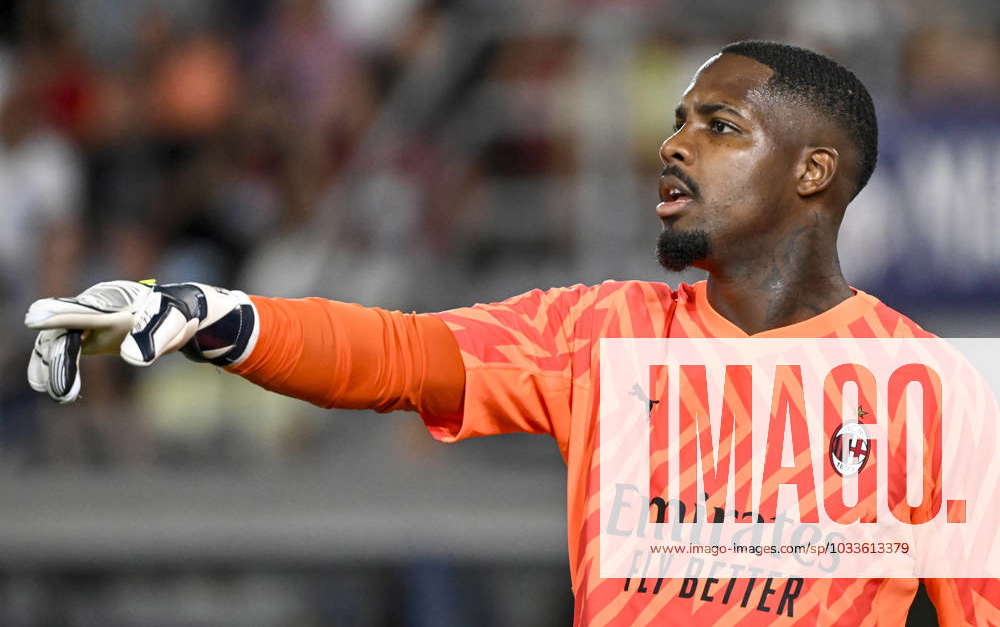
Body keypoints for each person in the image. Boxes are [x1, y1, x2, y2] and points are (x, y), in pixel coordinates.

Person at [24, 40, 998, 625]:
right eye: (676, 120)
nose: (672, 143)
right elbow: (400, 356)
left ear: (813, 172)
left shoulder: (930, 397)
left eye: (720, 127)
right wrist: (219, 317)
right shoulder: (600, 336)